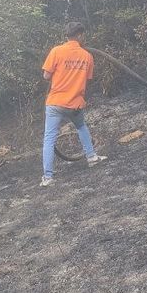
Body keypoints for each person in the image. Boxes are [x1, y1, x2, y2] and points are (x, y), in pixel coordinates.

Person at [40, 22, 107, 187]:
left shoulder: (56, 51)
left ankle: (48, 177)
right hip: (75, 103)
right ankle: (91, 156)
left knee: (49, 138)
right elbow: (87, 78)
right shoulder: (87, 56)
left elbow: (46, 76)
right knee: (81, 127)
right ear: (80, 35)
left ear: (67, 35)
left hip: (55, 102)